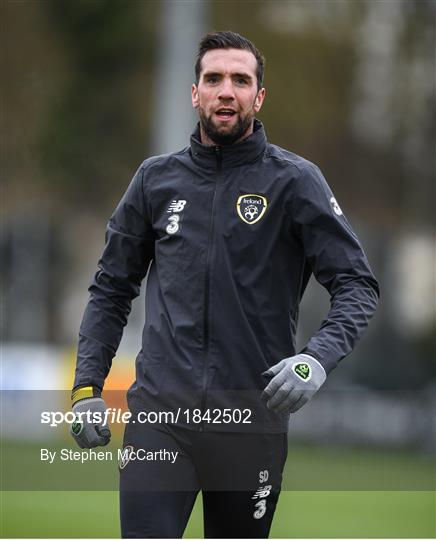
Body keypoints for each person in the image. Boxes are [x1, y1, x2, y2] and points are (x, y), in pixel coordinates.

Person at [70, 31, 379, 538]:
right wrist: (86, 387)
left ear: (259, 97)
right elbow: (110, 288)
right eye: (213, 79)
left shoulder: (294, 182)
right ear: (195, 93)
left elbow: (357, 283)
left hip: (251, 423)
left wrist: (316, 358)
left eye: (241, 80)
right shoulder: (154, 181)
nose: (226, 91)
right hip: (160, 415)